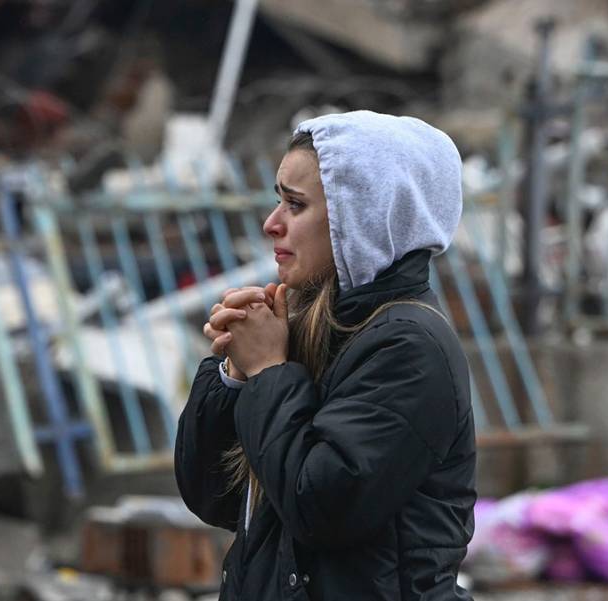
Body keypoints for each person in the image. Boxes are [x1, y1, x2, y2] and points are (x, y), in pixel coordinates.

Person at [174, 110, 476, 601]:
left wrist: (269, 372)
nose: (272, 224)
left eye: (295, 205)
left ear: (363, 215)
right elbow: (217, 498)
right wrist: (234, 373)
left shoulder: (407, 345)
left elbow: (321, 508)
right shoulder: (308, 324)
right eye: (278, 200)